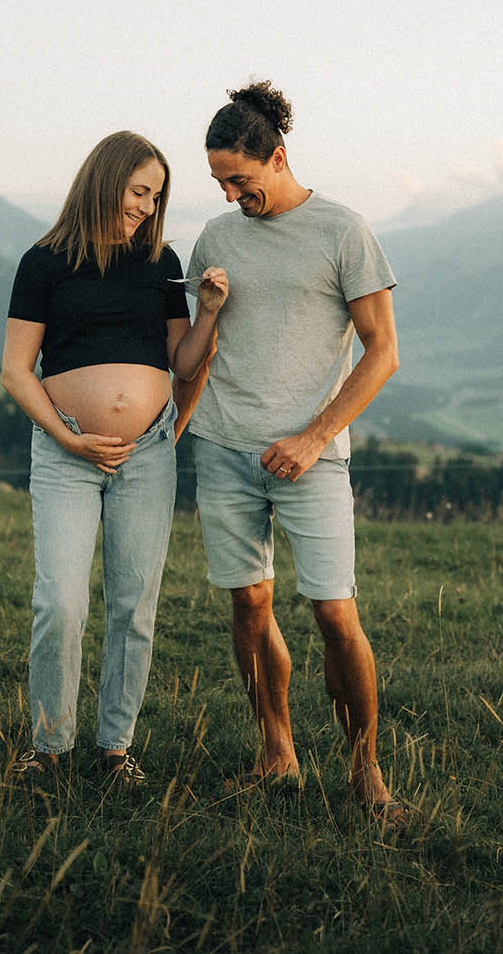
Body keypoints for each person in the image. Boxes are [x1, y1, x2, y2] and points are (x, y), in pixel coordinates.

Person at [179, 82, 404, 820]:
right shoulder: (216, 240)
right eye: (219, 182)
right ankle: (277, 752)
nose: (229, 193)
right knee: (248, 601)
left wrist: (313, 438)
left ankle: (365, 768)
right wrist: (205, 321)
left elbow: (383, 353)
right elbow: (196, 353)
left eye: (239, 179)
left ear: (278, 157)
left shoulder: (344, 231)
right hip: (224, 445)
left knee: (335, 611)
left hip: (312, 457)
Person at [2, 130, 228, 788]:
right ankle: (48, 745)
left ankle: (113, 749)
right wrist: (69, 437)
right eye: (138, 191)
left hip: (148, 452)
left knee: (134, 603)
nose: (144, 206)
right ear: (105, 179)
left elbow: (184, 361)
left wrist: (209, 313)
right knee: (60, 601)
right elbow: (17, 371)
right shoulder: (43, 262)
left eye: (154, 196)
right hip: (66, 449)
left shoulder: (161, 262)